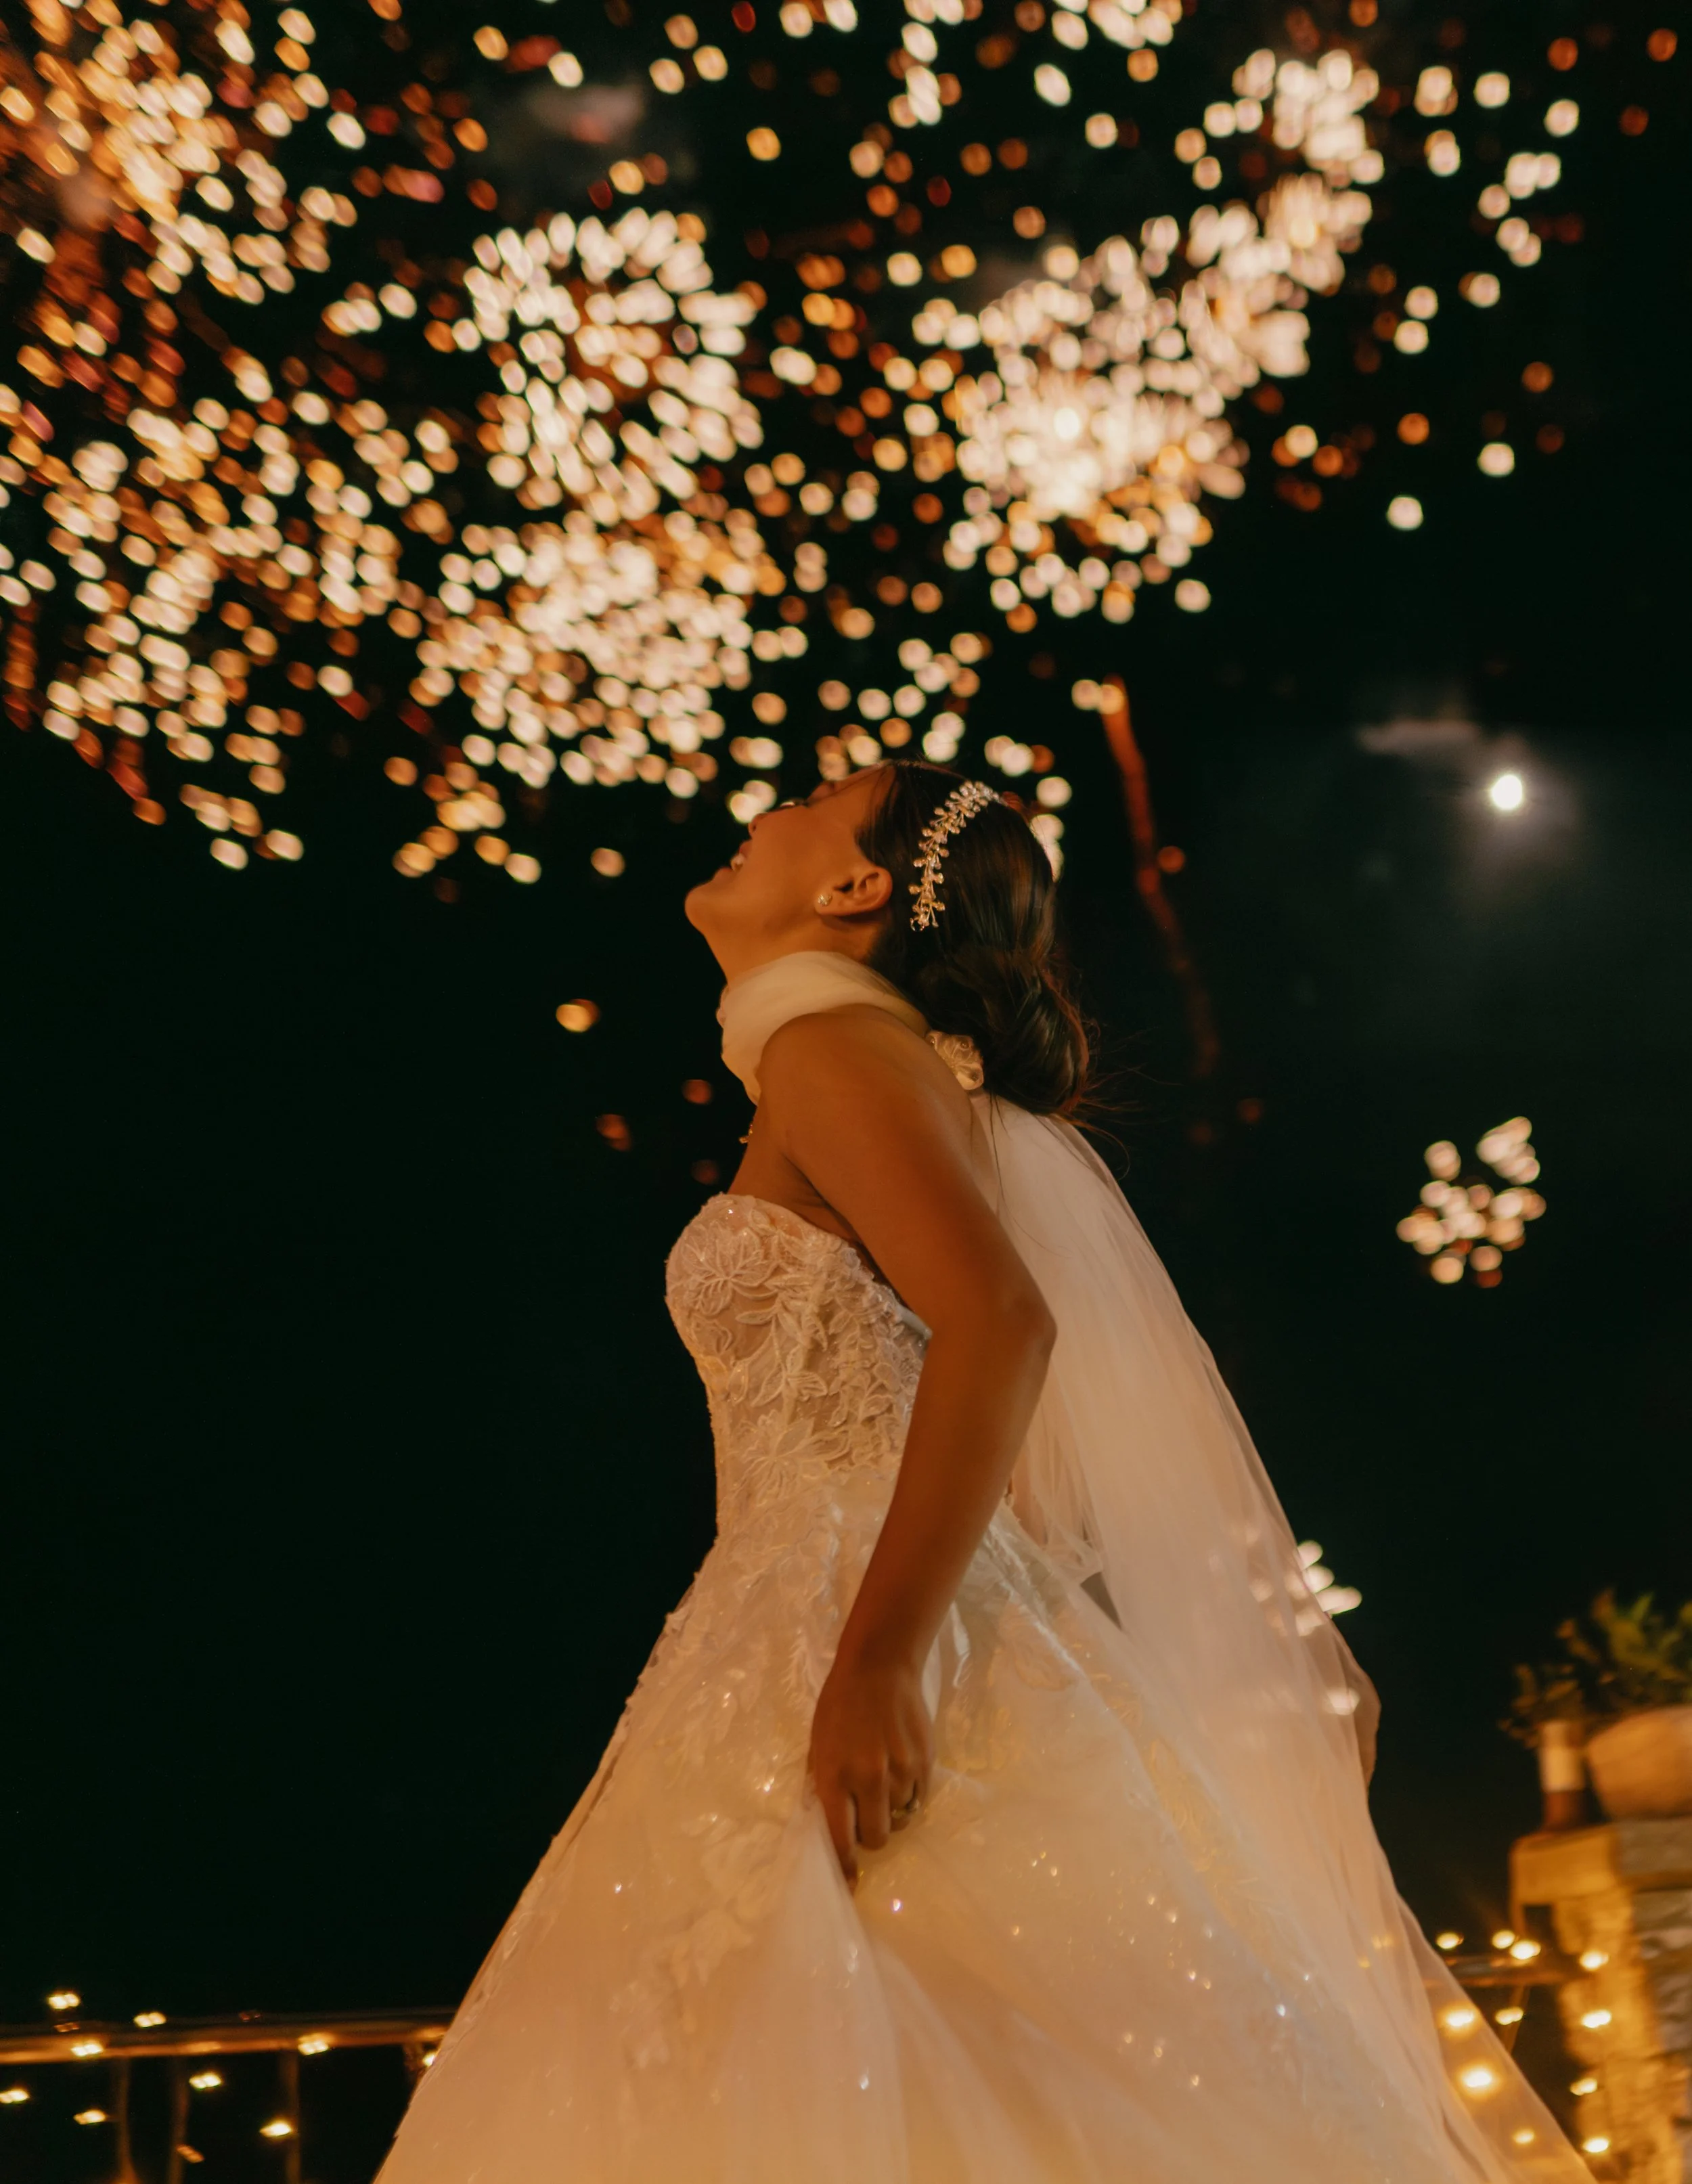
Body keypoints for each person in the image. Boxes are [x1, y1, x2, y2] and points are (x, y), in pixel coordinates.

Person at [377, 761, 1583, 2183]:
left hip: (847, 1601)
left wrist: (882, 1656)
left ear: (854, 888)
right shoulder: (841, 1055)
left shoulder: (830, 1045)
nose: (763, 809)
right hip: (797, 1594)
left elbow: (1000, 1321)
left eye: (810, 803)